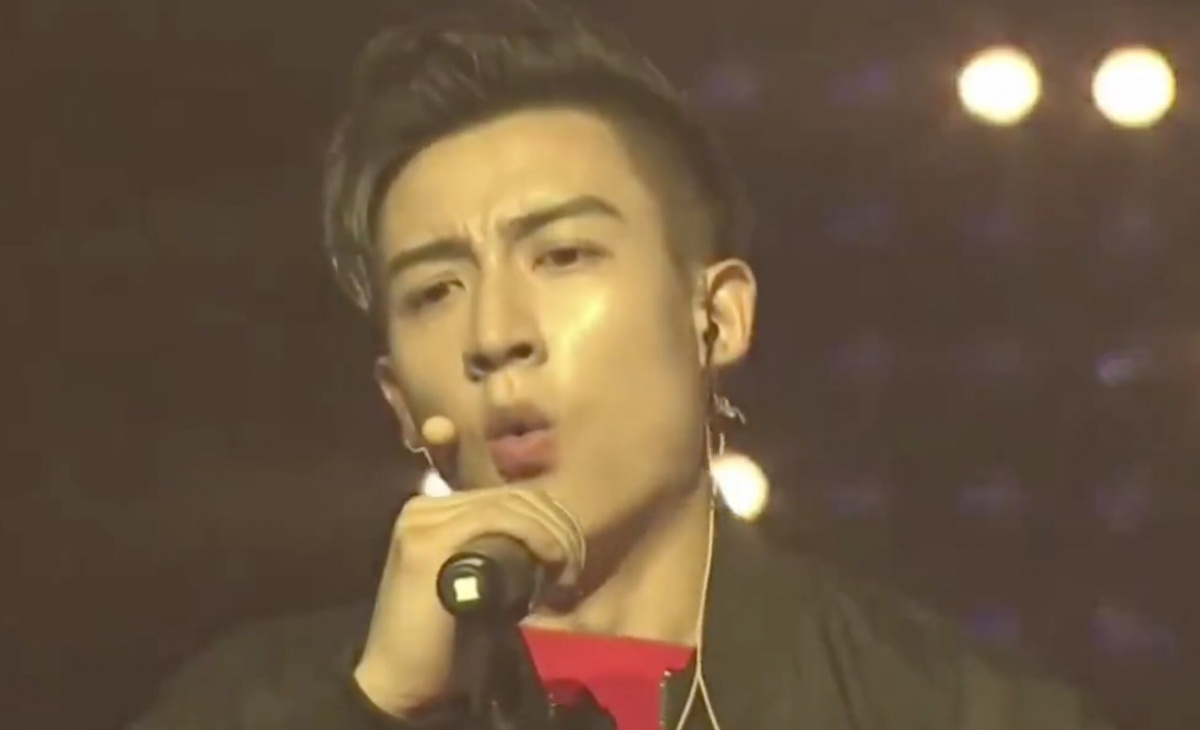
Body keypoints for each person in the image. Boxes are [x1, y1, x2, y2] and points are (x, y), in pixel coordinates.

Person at [128, 3, 1117, 729]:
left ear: (715, 317)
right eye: (435, 290)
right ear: (396, 398)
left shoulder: (953, 709)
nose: (495, 334)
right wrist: (372, 710)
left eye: (562, 255)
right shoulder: (248, 703)